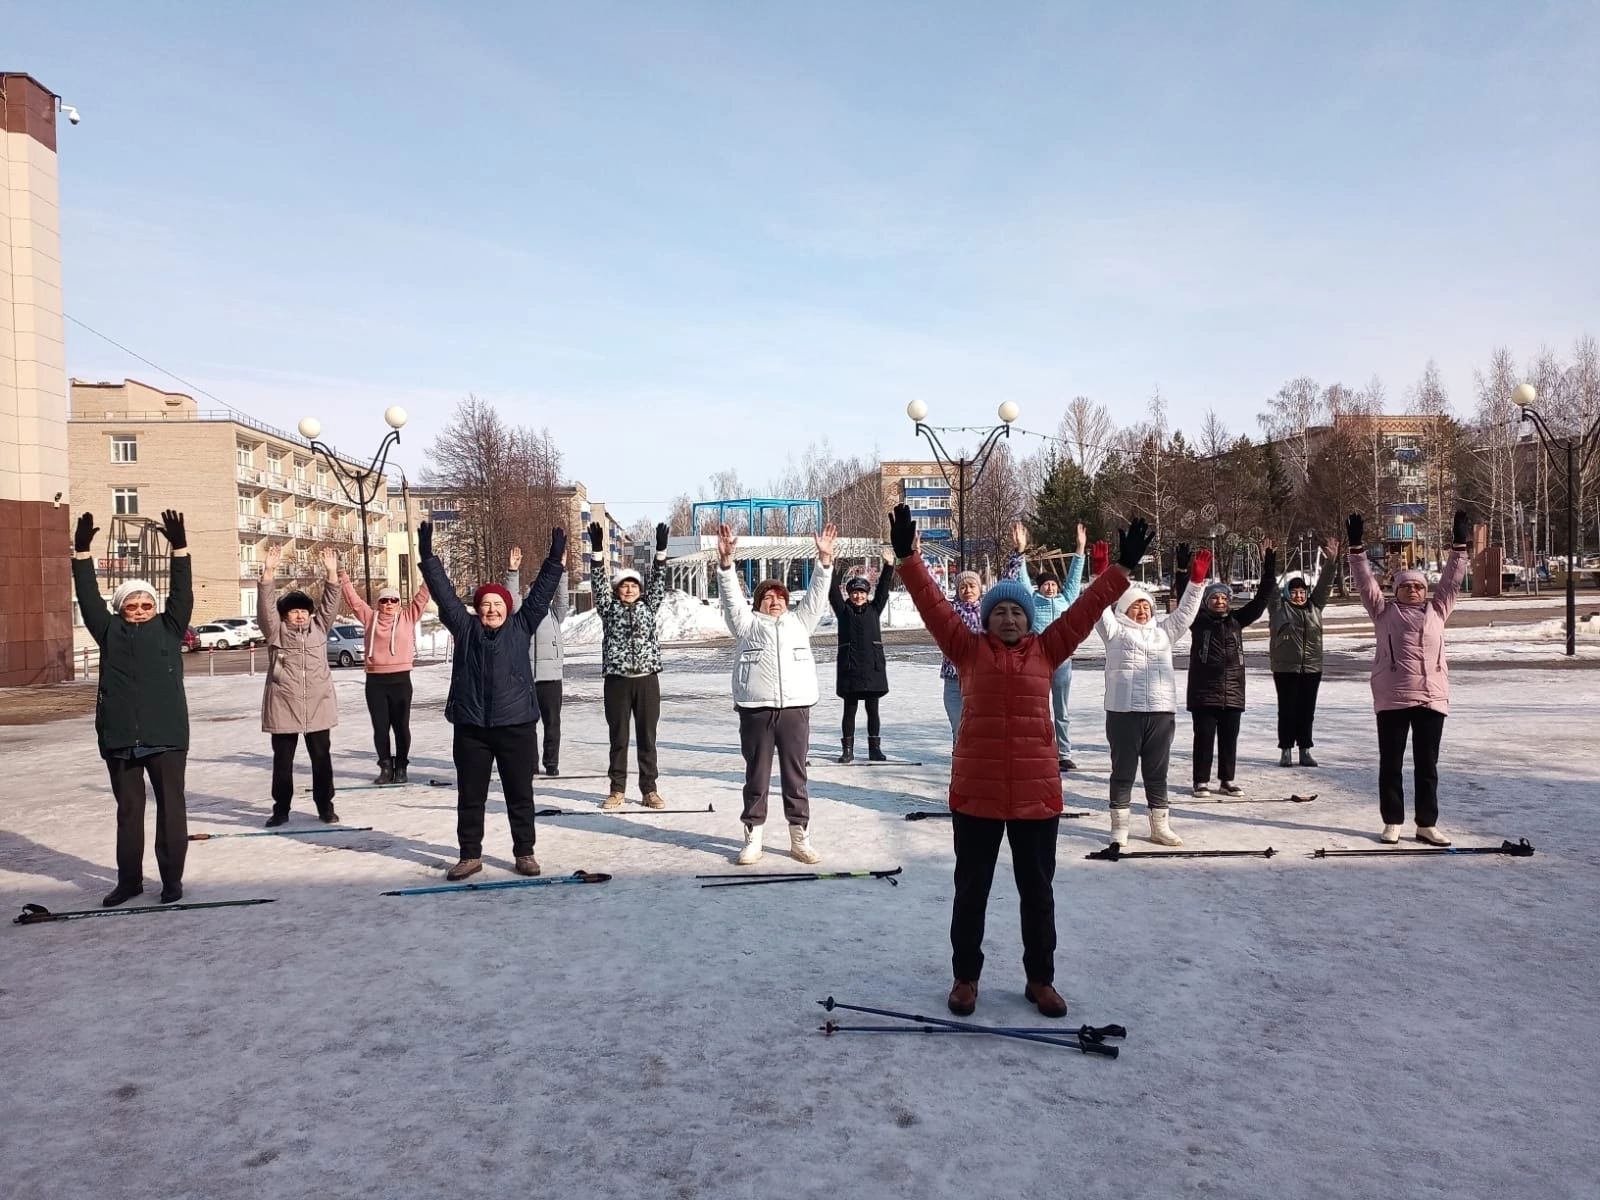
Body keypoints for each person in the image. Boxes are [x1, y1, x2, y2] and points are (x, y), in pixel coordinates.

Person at [897, 503, 1142, 1019]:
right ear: (986, 618)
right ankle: (966, 977)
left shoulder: (1049, 649)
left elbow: (1085, 608)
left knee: (1038, 894)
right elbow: (933, 605)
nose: (1008, 618)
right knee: (971, 893)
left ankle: (1040, 979)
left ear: (1029, 619)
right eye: (1000, 611)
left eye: (1017, 612)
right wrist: (908, 559)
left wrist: (1119, 572)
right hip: (977, 794)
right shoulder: (966, 649)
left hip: (1035, 798)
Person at [420, 521, 567, 880]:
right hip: (472, 728)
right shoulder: (464, 628)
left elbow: (541, 595)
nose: (491, 610)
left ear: (506, 607)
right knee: (471, 797)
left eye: (497, 605)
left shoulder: (521, 626)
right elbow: (444, 594)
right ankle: (470, 855)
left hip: (515, 726)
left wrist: (554, 560)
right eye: (485, 605)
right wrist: (427, 556)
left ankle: (525, 853)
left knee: (520, 795)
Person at [72, 509, 193, 906]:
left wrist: (180, 549)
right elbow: (89, 598)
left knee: (171, 810)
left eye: (146, 605)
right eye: (132, 605)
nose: (140, 610)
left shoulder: (170, 627)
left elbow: (182, 593)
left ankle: (171, 880)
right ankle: (129, 882)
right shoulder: (108, 630)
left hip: (167, 735)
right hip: (120, 734)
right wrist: (82, 553)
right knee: (128, 812)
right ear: (121, 608)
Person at [1348, 510, 1471, 845]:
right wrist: (1357, 549)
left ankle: (1426, 823)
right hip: (1393, 698)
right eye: (1407, 586)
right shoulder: (1383, 612)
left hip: (1431, 697)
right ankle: (1392, 821)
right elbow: (1364, 582)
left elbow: (1452, 580)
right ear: (1396, 590)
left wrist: (1460, 546)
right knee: (1391, 763)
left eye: (1419, 586)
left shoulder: (1438, 610)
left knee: (1426, 766)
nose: (1414, 590)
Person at [717, 522, 836, 865]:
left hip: (795, 710)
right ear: (757, 603)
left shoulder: (801, 622)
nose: (775, 601)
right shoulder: (747, 625)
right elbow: (730, 598)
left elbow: (816, 594)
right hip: (756, 709)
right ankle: (753, 837)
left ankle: (800, 836)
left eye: (781, 597)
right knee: (756, 775)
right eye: (768, 597)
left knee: (795, 775)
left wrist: (824, 561)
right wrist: (727, 564)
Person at [1093, 540, 1211, 847]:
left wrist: (1197, 582)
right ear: (1124, 609)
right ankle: (1119, 826)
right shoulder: (1114, 631)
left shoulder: (1164, 632)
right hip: (1123, 713)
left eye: (1146, 605)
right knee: (1123, 772)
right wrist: (1100, 574)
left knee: (1157, 773)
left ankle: (1160, 826)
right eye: (1136, 605)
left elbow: (1185, 613)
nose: (1143, 610)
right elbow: (1097, 605)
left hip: (1160, 713)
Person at [1179, 540, 1277, 797]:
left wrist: (1269, 565)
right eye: (1215, 598)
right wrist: (1182, 571)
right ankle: (1200, 781)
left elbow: (1262, 598)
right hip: (1204, 692)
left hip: (1233, 690)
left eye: (1223, 598)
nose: (1220, 601)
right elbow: (1183, 602)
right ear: (1207, 602)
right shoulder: (1198, 621)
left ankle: (1227, 780)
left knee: (1228, 740)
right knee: (1203, 739)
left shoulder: (1237, 620)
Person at [258, 545, 344, 827]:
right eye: (293, 611)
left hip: (317, 706)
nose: (299, 616)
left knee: (321, 760)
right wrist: (269, 572)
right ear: (284, 615)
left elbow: (330, 603)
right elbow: (266, 607)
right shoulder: (275, 630)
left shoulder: (319, 628)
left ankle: (325, 807)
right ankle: (281, 809)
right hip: (284, 705)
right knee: (283, 762)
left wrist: (332, 573)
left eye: (303, 611)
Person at [591, 521, 670, 809]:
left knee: (647, 737)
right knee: (619, 737)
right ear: (617, 590)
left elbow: (659, 580)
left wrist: (661, 551)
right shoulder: (608, 608)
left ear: (640, 589)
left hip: (647, 680)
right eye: (624, 585)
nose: (628, 589)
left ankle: (649, 789)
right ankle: (617, 790)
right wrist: (598, 551)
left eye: (633, 585)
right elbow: (598, 583)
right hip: (617, 681)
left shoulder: (650, 605)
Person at [1004, 520, 1087, 771]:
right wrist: (1020, 551)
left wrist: (1080, 549)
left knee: (1061, 710)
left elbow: (1073, 580)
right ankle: (1033, 749)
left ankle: (1064, 753)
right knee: (1034, 709)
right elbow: (1021, 578)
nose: (1050, 587)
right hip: (1036, 662)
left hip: (1062, 663)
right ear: (1039, 587)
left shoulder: (1065, 599)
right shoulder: (1031, 599)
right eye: (1045, 584)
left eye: (1052, 583)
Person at [340, 566, 431, 785]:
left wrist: (430, 570)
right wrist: (341, 576)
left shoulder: (408, 617)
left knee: (401, 727)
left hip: (400, 680)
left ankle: (401, 766)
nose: (388, 605)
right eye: (384, 601)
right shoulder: (370, 618)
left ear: (399, 604)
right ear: (378, 604)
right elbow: (354, 601)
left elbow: (422, 596)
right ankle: (385, 767)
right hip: (376, 682)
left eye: (393, 601)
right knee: (380, 727)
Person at [1268, 541, 1339, 767]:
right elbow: (1269, 587)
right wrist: (1268, 560)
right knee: (1287, 710)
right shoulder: (1279, 607)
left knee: (1307, 710)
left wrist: (1331, 563)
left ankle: (1305, 750)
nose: (1299, 596)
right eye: (1295, 592)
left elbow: (1325, 585)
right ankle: (1286, 750)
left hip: (1311, 667)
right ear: (1287, 593)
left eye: (1302, 592)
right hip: (1285, 668)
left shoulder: (1314, 607)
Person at [505, 546, 569, 776]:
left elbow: (563, 597)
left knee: (552, 724)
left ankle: (551, 763)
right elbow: (511, 600)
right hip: (526, 678)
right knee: (527, 725)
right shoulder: (522, 610)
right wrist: (513, 572)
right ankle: (530, 764)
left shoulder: (555, 613)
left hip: (551, 678)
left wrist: (561, 570)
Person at [829, 550, 895, 763]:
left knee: (872, 711)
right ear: (849, 594)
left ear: (867, 594)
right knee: (849, 712)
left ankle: (874, 748)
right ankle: (847, 749)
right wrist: (832, 566)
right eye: (854, 592)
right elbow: (832, 593)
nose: (858, 596)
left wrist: (889, 566)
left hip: (872, 669)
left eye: (862, 592)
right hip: (850, 668)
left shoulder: (874, 610)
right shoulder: (843, 611)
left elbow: (884, 591)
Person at [939, 570, 984, 741]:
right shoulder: (949, 612)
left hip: (980, 679)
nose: (968, 591)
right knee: (959, 725)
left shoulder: (989, 613)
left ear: (979, 589)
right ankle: (960, 760)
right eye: (963, 587)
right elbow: (931, 590)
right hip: (954, 680)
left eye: (972, 586)